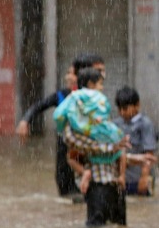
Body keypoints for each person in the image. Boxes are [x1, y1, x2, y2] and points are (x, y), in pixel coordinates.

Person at [16, 53, 105, 199]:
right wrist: (25, 120)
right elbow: (39, 106)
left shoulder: (96, 101)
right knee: (69, 197)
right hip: (65, 158)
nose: (67, 77)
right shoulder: (62, 96)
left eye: (71, 73)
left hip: (85, 160)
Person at [54, 67, 125, 196]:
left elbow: (58, 114)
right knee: (119, 148)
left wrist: (61, 128)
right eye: (100, 84)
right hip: (94, 133)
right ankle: (119, 176)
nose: (102, 87)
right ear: (91, 84)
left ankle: (83, 173)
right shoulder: (98, 97)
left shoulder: (73, 95)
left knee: (71, 158)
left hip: (73, 134)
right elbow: (105, 113)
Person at [113, 86, 157, 196]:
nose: (122, 112)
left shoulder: (145, 124)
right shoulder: (116, 123)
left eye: (125, 108)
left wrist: (144, 177)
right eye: (120, 109)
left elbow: (149, 153)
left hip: (137, 178)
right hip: (121, 177)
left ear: (137, 105)